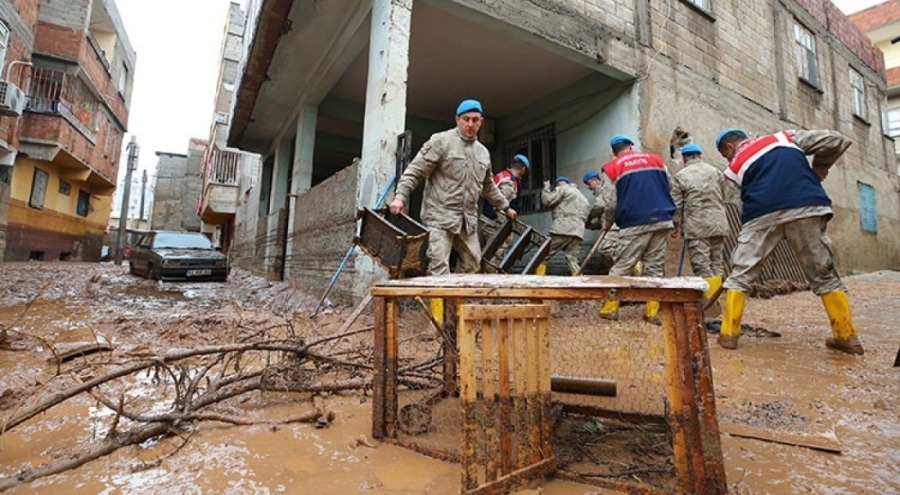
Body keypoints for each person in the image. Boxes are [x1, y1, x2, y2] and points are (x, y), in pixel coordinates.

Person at [714, 127, 862, 355]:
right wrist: (819, 168)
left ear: (730, 147)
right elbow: (835, 140)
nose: (728, 158)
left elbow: (739, 203)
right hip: (806, 205)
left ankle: (728, 335)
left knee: (741, 274)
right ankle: (846, 336)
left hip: (761, 213)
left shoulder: (731, 171)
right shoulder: (783, 138)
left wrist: (761, 229)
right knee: (823, 270)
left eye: (726, 154)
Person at [389, 99, 516, 318]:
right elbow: (414, 171)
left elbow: (488, 187)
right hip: (438, 217)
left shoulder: (483, 153)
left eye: (475, 120)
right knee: (439, 267)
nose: (470, 124)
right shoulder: (441, 142)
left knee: (474, 263)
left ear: (481, 122)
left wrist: (505, 207)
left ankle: (453, 310)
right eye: (465, 119)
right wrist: (400, 197)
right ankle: (440, 324)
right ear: (457, 119)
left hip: (467, 220)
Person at [597, 134, 676, 324]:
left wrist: (608, 221)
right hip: (662, 218)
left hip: (634, 222)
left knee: (622, 266)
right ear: (631, 146)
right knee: (655, 268)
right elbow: (670, 187)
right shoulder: (656, 160)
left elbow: (611, 203)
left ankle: (610, 309)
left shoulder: (611, 167)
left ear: (613, 151)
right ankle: (652, 312)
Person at [670, 143, 729, 307]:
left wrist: (675, 225)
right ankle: (719, 301)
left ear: (684, 159)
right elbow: (725, 194)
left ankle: (710, 305)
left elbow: (677, 205)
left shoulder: (681, 176)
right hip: (719, 222)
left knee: (702, 265)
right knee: (717, 262)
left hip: (697, 225)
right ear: (700, 156)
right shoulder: (716, 172)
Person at [480, 154, 529, 263]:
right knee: (495, 257)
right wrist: (505, 230)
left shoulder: (501, 175)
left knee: (481, 255)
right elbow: (499, 205)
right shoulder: (510, 183)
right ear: (523, 169)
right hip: (493, 225)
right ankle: (490, 279)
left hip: (484, 220)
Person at [537, 176, 590, 275]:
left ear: (559, 183)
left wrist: (546, 188)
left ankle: (537, 281)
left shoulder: (562, 188)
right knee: (572, 260)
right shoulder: (582, 197)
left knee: (542, 256)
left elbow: (547, 201)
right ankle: (580, 282)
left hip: (562, 229)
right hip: (578, 232)